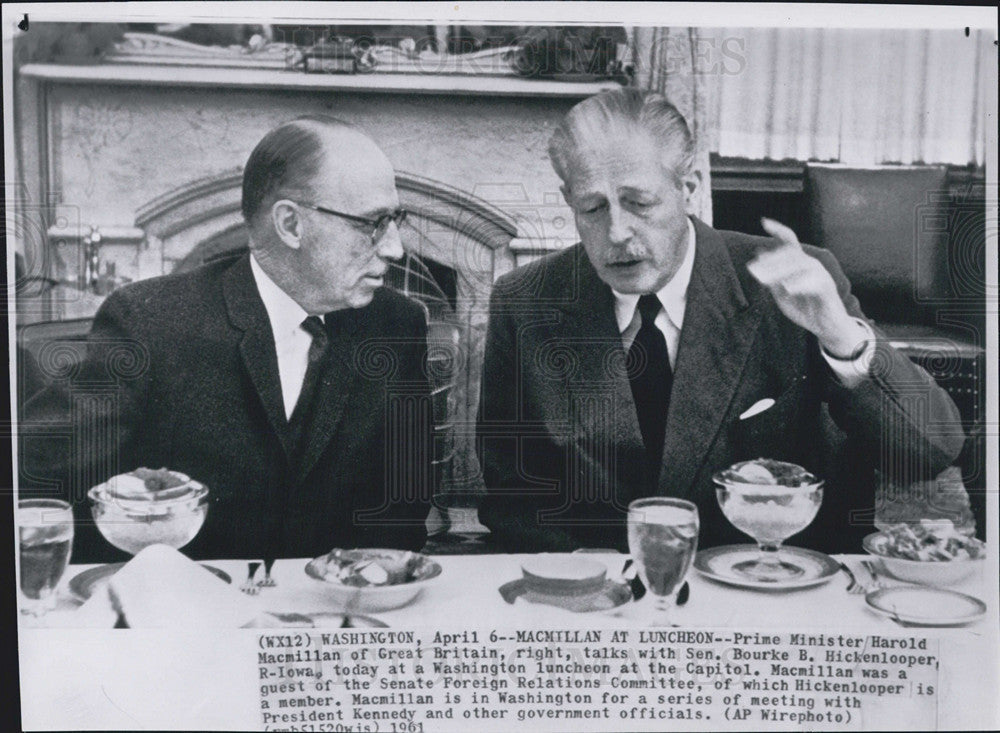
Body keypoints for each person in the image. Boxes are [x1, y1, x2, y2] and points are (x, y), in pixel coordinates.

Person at [476, 89, 964, 554]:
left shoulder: (789, 282)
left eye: (640, 203)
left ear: (688, 188)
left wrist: (840, 337)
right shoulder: (526, 301)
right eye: (592, 207)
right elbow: (513, 499)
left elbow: (931, 450)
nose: (617, 233)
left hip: (773, 589)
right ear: (569, 200)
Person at [20, 117, 433, 562]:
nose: (394, 248)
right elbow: (39, 488)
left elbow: (402, 512)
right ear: (290, 224)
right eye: (372, 223)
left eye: (396, 220)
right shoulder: (149, 322)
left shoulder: (396, 325)